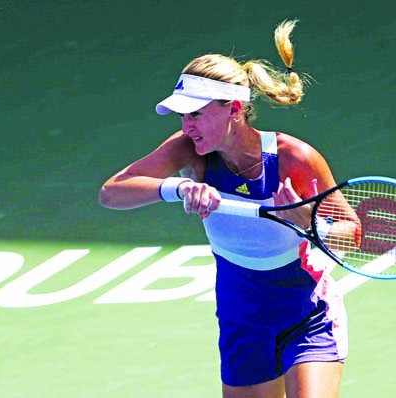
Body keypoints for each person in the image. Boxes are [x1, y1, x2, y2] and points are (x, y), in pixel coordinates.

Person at [99, 20, 348, 398]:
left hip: (306, 313)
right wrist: (179, 187)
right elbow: (112, 192)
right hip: (242, 320)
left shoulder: (293, 157)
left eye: (195, 114)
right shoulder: (188, 150)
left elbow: (355, 232)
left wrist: (310, 224)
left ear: (233, 109)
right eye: (182, 116)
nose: (187, 126)